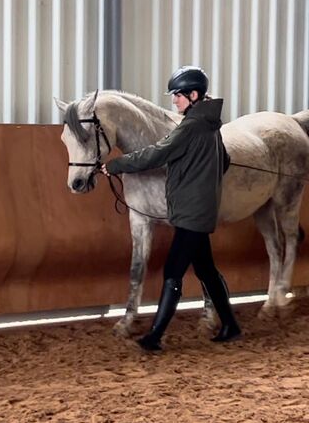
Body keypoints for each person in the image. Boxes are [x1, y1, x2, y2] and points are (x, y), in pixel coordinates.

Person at [100, 66, 241, 351]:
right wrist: (198, 170)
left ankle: (155, 336)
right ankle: (231, 325)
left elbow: (158, 153)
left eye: (178, 95)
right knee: (207, 271)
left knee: (173, 272)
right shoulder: (211, 126)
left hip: (191, 212)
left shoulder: (190, 127)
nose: (174, 101)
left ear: (193, 94)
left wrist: (116, 165)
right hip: (200, 209)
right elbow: (224, 161)